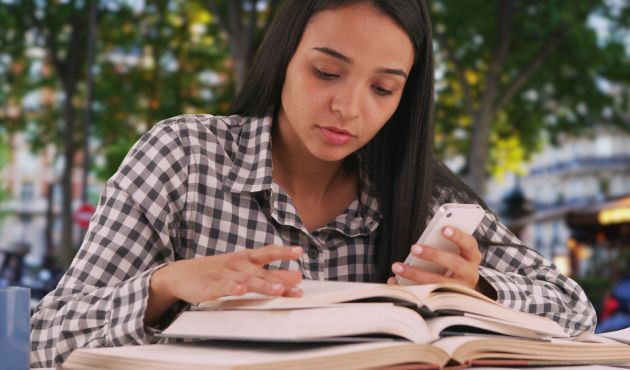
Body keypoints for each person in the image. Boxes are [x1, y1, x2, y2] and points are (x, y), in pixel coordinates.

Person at [30, 0, 596, 367]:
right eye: (326, 72)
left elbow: (575, 312)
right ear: (283, 59)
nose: (348, 107)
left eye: (383, 88)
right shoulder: (182, 157)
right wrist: (166, 285)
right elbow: (41, 340)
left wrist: (480, 289)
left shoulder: (425, 197)